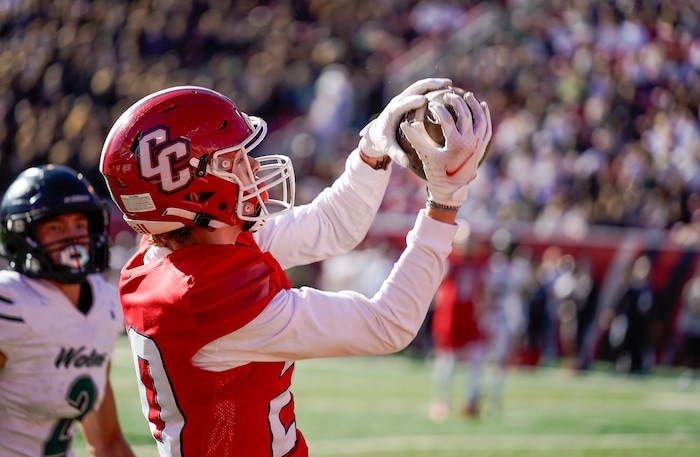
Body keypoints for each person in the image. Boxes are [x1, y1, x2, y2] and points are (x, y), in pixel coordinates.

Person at [99, 79, 492, 456]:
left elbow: (332, 226)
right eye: (235, 160)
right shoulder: (205, 294)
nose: (252, 168)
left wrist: (372, 147)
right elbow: (390, 324)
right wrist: (445, 203)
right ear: (195, 189)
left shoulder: (188, 246)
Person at [0, 165, 135, 457]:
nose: (73, 238)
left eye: (79, 225)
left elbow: (107, 441)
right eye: (55, 227)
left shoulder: (104, 303)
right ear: (23, 234)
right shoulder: (9, 304)